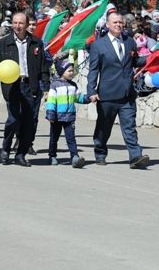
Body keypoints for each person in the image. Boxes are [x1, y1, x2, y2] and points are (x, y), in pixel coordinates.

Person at [86, 11, 149, 168]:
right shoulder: (98, 45)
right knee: (104, 128)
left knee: (129, 127)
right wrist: (91, 91)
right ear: (107, 25)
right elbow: (93, 70)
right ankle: (100, 152)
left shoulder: (129, 42)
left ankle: (135, 157)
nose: (118, 25)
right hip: (107, 95)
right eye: (115, 22)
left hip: (127, 94)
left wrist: (153, 58)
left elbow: (135, 61)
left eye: (120, 22)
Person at [0, 11, 50, 167]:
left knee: (28, 122)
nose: (17, 26)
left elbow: (43, 65)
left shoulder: (36, 43)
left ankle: (21, 154)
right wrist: (1, 74)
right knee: (13, 119)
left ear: (26, 24)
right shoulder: (4, 43)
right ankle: (5, 149)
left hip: (29, 85)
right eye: (15, 23)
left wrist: (46, 85)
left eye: (21, 23)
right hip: (12, 85)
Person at [45, 59, 87, 168]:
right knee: (54, 138)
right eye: (69, 71)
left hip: (69, 117)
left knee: (71, 138)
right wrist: (50, 115)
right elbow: (51, 101)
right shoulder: (55, 85)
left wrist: (88, 98)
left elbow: (78, 97)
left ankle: (75, 157)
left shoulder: (73, 85)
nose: (72, 73)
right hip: (57, 118)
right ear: (62, 71)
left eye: (73, 71)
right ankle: (52, 156)